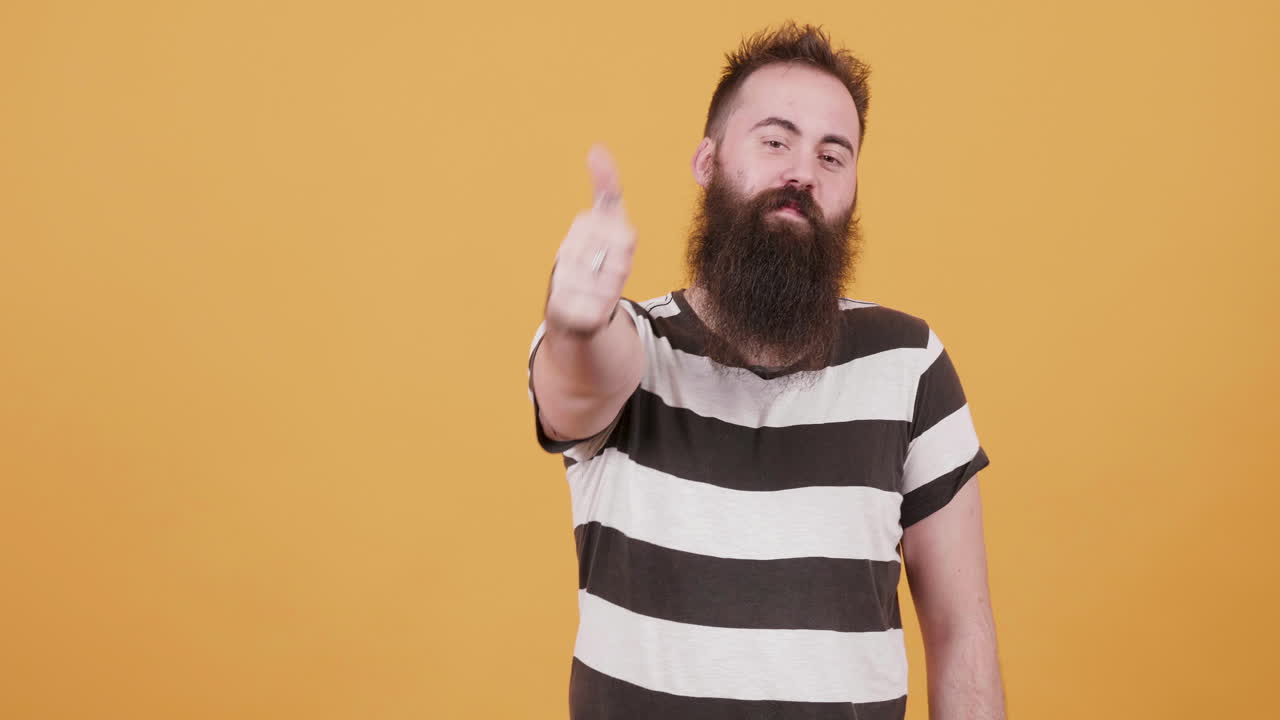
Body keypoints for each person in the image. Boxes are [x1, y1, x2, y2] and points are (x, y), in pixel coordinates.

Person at [526, 21, 1006, 720]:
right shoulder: (631, 343)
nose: (802, 173)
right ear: (707, 161)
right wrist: (574, 320)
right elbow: (579, 383)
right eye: (775, 141)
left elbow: (963, 633)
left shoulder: (909, 363)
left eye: (832, 156)